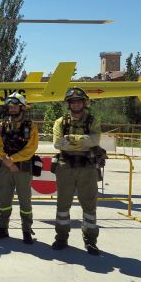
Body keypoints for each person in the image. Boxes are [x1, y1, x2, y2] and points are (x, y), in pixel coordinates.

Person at [52, 87, 102, 255]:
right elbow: (58, 144)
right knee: (63, 205)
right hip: (65, 167)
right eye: (72, 102)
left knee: (89, 205)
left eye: (79, 101)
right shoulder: (60, 122)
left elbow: (94, 140)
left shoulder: (92, 120)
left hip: (87, 168)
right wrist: (83, 141)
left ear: (84, 103)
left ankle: (90, 241)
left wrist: (71, 140)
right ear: (69, 104)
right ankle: (61, 237)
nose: (76, 104)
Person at [0, 92, 38, 244]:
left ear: (22, 107)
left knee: (25, 201)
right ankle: (3, 228)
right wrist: (8, 161)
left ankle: (26, 230)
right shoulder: (2, 126)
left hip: (22, 169)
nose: (12, 109)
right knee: (4, 200)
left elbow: (31, 148)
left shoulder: (31, 126)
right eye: (10, 106)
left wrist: (11, 160)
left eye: (15, 106)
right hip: (6, 168)